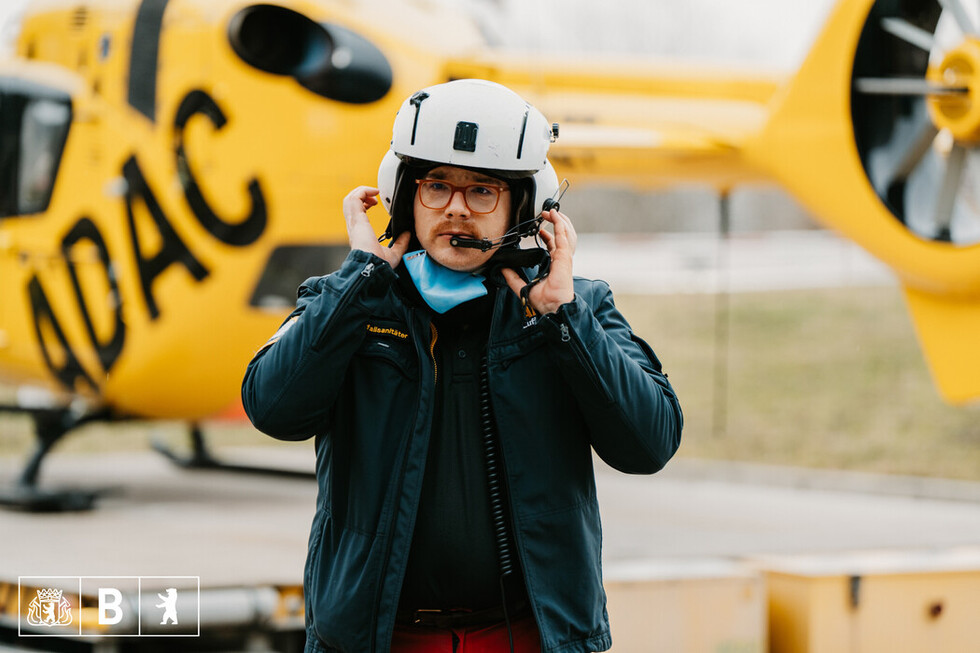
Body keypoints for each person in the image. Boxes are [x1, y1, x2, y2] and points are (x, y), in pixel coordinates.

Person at [242, 79, 682, 653]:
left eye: (482, 191)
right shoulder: (344, 302)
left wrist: (562, 322)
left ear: (521, 209)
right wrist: (358, 284)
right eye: (436, 186)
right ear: (404, 197)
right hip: (377, 637)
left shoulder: (577, 309)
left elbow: (651, 443)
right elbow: (272, 408)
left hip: (530, 635)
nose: (455, 208)